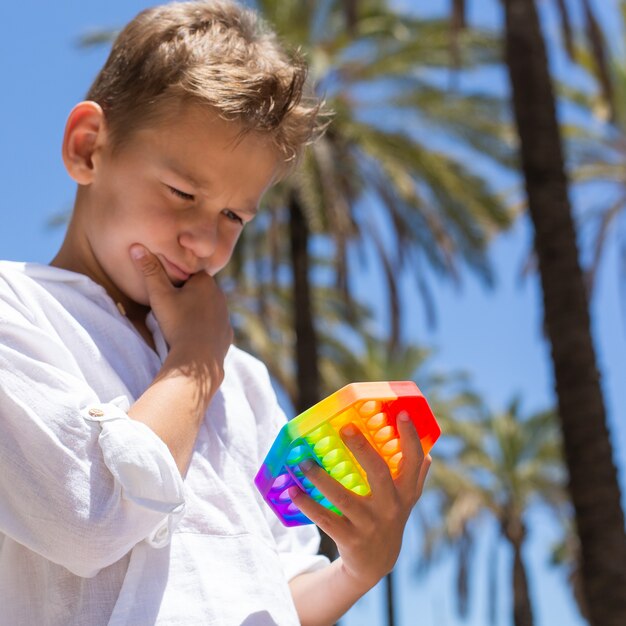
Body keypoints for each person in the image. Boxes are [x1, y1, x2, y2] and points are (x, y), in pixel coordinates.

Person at [0, 1, 431, 625]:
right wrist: (195, 363)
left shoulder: (246, 382)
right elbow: (88, 517)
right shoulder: (19, 311)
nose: (205, 241)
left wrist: (359, 568)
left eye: (234, 216)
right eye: (182, 194)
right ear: (89, 149)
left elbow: (276, 589)